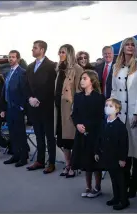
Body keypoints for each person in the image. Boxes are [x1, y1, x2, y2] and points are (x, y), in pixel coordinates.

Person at [110, 37, 137, 198]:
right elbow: (113, 90)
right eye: (128, 44)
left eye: (133, 45)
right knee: (122, 150)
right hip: (120, 114)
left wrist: (136, 113)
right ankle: (123, 183)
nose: (130, 47)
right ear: (123, 47)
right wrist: (113, 109)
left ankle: (134, 183)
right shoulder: (116, 67)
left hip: (133, 113)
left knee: (135, 150)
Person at [71, 70, 105, 198]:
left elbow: (101, 117)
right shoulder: (78, 96)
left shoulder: (99, 98)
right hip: (81, 133)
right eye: (81, 78)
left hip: (94, 134)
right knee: (85, 160)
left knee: (95, 162)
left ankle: (97, 186)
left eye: (85, 78)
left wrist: (89, 127)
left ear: (92, 81)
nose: (82, 81)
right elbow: (74, 114)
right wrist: (78, 125)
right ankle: (88, 186)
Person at [26, 40, 57, 174]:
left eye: (35, 48)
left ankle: (51, 162)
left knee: (49, 136)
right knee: (38, 135)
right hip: (33, 106)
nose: (32, 50)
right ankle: (39, 160)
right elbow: (26, 84)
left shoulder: (51, 66)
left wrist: (39, 99)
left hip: (46, 106)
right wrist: (30, 98)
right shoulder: (30, 66)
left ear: (42, 50)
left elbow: (52, 86)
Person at [54, 44, 84, 178]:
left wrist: (75, 107)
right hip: (58, 108)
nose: (60, 55)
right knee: (61, 139)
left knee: (71, 139)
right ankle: (67, 164)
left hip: (70, 109)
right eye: (59, 52)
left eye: (63, 52)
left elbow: (79, 90)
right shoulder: (59, 69)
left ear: (70, 54)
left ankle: (73, 166)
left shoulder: (77, 69)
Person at [95, 98, 129, 210]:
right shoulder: (104, 123)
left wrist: (122, 158)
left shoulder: (120, 125)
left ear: (117, 109)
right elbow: (99, 138)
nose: (107, 108)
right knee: (113, 178)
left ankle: (124, 200)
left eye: (110, 106)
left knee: (120, 179)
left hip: (117, 157)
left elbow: (124, 144)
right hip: (107, 156)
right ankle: (116, 197)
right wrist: (97, 152)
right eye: (106, 105)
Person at [0, 50, 29, 167]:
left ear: (18, 59)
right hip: (9, 108)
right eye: (9, 57)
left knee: (20, 133)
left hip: (18, 108)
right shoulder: (8, 73)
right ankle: (16, 155)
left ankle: (23, 157)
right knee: (12, 133)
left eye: (13, 57)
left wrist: (22, 107)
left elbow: (25, 91)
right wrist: (3, 108)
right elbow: (5, 91)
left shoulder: (22, 73)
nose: (10, 59)